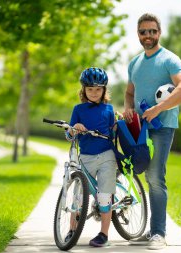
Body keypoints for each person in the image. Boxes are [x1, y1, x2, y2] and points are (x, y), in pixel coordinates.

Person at [123, 13, 181, 250]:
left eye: (152, 31)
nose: (148, 36)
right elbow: (130, 92)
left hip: (162, 127)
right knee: (145, 174)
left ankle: (159, 234)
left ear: (159, 32)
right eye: (144, 32)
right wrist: (128, 108)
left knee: (155, 177)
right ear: (138, 34)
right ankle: (153, 230)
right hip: (139, 128)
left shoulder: (170, 59)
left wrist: (158, 109)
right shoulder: (134, 63)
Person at [65, 67, 117, 247]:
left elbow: (115, 132)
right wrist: (75, 128)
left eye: (98, 89)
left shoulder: (109, 109)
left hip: (106, 156)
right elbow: (70, 135)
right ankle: (72, 230)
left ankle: (104, 234)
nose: (94, 93)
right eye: (90, 89)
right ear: (83, 90)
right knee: (78, 196)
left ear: (104, 90)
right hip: (85, 157)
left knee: (104, 196)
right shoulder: (78, 109)